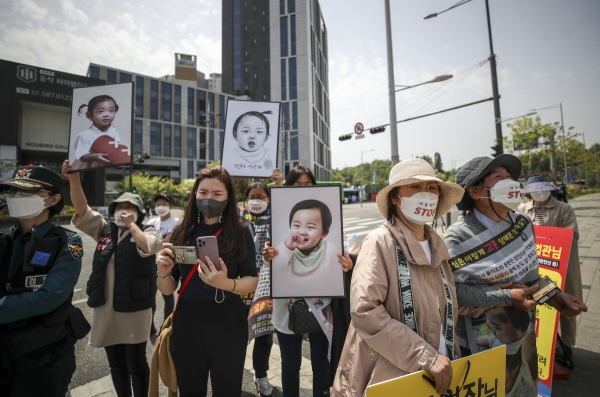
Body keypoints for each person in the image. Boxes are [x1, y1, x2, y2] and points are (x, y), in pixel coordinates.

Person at [332, 158, 487, 396]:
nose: (425, 194)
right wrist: (425, 356)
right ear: (395, 197)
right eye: (414, 187)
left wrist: (505, 296)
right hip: (389, 377)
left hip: (436, 375)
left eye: (432, 188)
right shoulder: (379, 242)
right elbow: (365, 311)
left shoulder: (437, 245)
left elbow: (445, 304)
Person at [443, 154, 587, 397]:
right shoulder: (458, 237)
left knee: (521, 383)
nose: (509, 181)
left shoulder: (522, 223)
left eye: (509, 176)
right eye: (498, 177)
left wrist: (554, 295)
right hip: (478, 337)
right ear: (476, 192)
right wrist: (507, 297)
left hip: (523, 330)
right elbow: (451, 291)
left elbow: (531, 278)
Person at [155, 165, 259, 396]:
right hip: (187, 324)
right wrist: (163, 271)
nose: (208, 198)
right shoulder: (181, 231)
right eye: (203, 193)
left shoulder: (241, 232)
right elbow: (168, 287)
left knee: (228, 389)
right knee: (190, 390)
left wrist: (226, 284)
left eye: (217, 194)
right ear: (194, 194)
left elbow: (252, 279)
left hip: (228, 323)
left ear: (228, 197)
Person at [62, 159, 160, 397]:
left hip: (135, 309)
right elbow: (82, 210)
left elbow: (147, 247)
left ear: (139, 213)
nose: (123, 211)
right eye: (119, 207)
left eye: (129, 208)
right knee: (116, 363)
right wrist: (74, 178)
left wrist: (131, 225)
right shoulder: (105, 229)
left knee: (136, 363)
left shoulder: (148, 230)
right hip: (107, 308)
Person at [264, 165, 353, 397]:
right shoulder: (281, 234)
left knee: (320, 365)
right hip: (287, 309)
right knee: (290, 365)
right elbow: (273, 263)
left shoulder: (331, 241)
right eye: (297, 185)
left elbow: (343, 258)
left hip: (321, 310)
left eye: (308, 184)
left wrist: (348, 264)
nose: (303, 189)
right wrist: (272, 256)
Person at [0, 166, 87, 396]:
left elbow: (49, 297)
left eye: (26, 193)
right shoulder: (5, 239)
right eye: (13, 193)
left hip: (44, 358)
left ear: (53, 199)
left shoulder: (67, 242)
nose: (16, 199)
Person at [517, 175, 582, 364]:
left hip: (560, 265)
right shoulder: (522, 210)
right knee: (536, 305)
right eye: (535, 190)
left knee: (566, 303)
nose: (539, 193)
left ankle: (567, 345)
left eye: (542, 189)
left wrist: (548, 239)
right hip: (532, 267)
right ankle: (539, 344)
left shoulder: (564, 209)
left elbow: (573, 236)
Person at [240, 176, 281, 397]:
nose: (256, 201)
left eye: (261, 197)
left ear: (269, 199)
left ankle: (261, 376)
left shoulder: (277, 218)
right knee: (237, 335)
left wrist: (279, 185)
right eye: (252, 197)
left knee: (264, 334)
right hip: (239, 286)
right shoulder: (237, 219)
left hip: (266, 286)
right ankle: (232, 375)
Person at [147, 193, 180, 334]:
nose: (160, 207)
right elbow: (147, 243)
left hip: (168, 263)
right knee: (151, 296)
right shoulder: (151, 223)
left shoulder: (176, 222)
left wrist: (158, 244)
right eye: (157, 204)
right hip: (152, 263)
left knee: (167, 295)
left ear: (170, 206)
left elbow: (174, 242)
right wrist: (162, 242)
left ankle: (166, 325)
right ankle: (150, 326)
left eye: (164, 204)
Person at [71, 95, 122, 170]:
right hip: (88, 166)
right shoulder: (85, 135)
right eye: (101, 111)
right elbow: (82, 155)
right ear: (89, 115)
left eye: (111, 110)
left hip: (106, 166)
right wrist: (94, 156)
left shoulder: (114, 132)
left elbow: (117, 148)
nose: (106, 115)